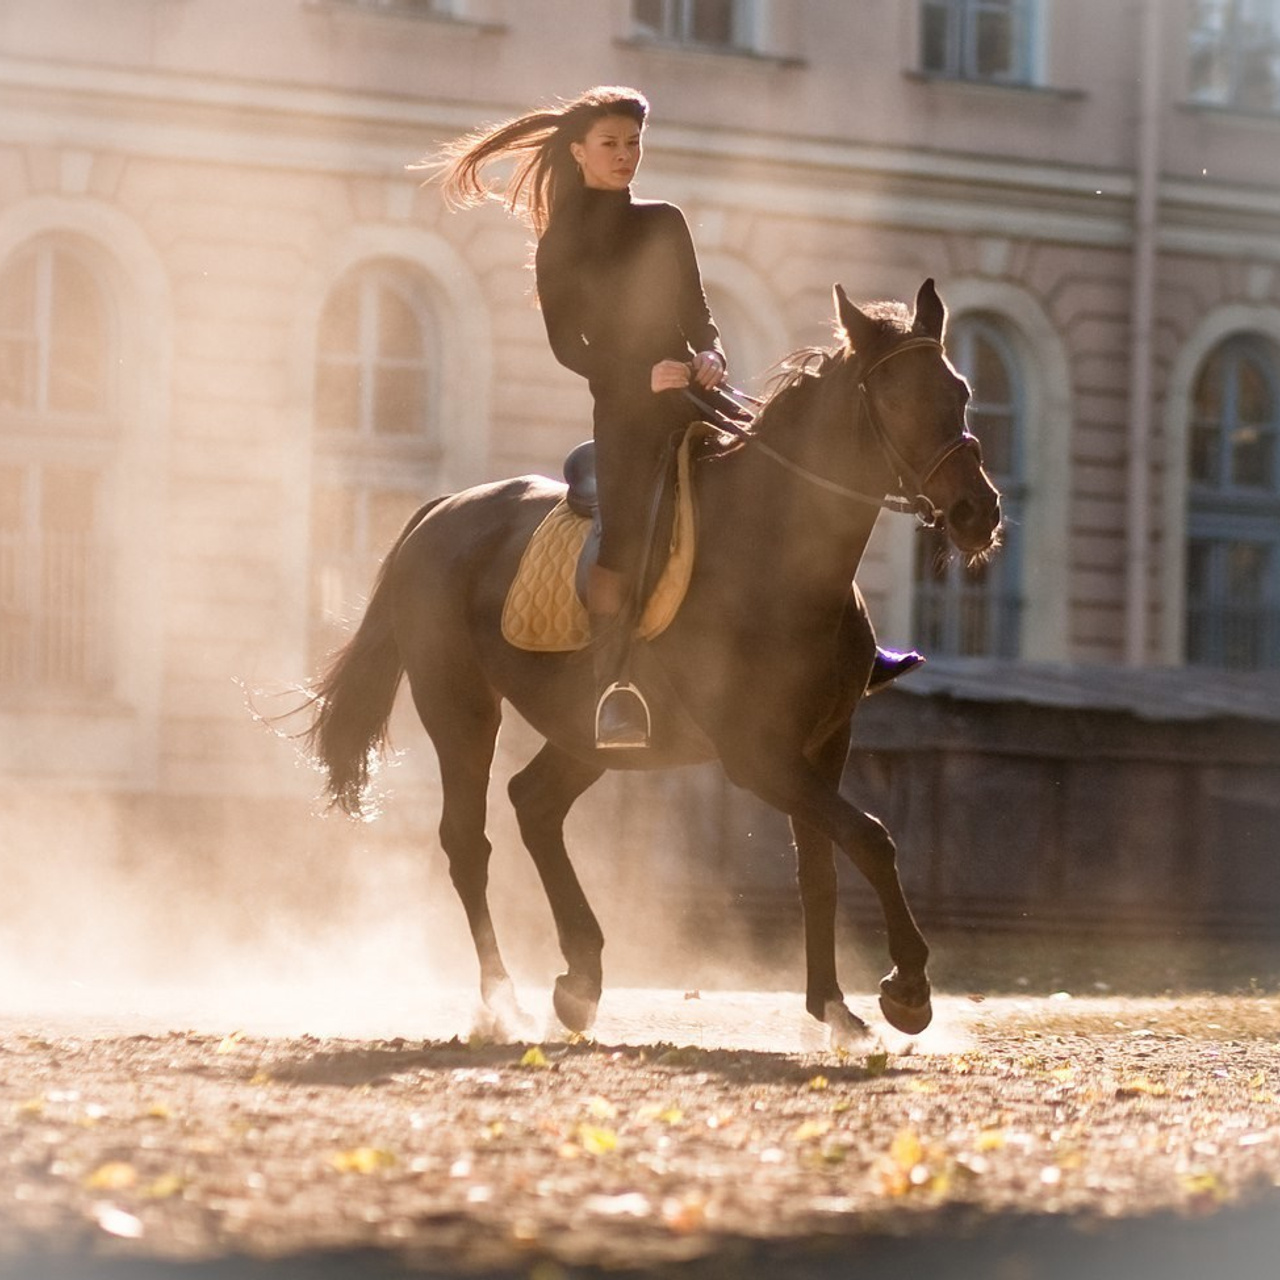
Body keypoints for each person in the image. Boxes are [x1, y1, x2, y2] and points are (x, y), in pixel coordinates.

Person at [427, 86, 920, 749]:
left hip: (698, 398)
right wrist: (639, 376)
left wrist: (712, 353)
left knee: (789, 496)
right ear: (578, 152)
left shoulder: (665, 220)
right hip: (627, 417)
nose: (624, 155)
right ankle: (616, 685)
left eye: (633, 143)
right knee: (627, 540)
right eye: (610, 144)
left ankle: (850, 646)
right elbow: (568, 346)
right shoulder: (560, 243)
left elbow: (699, 314)